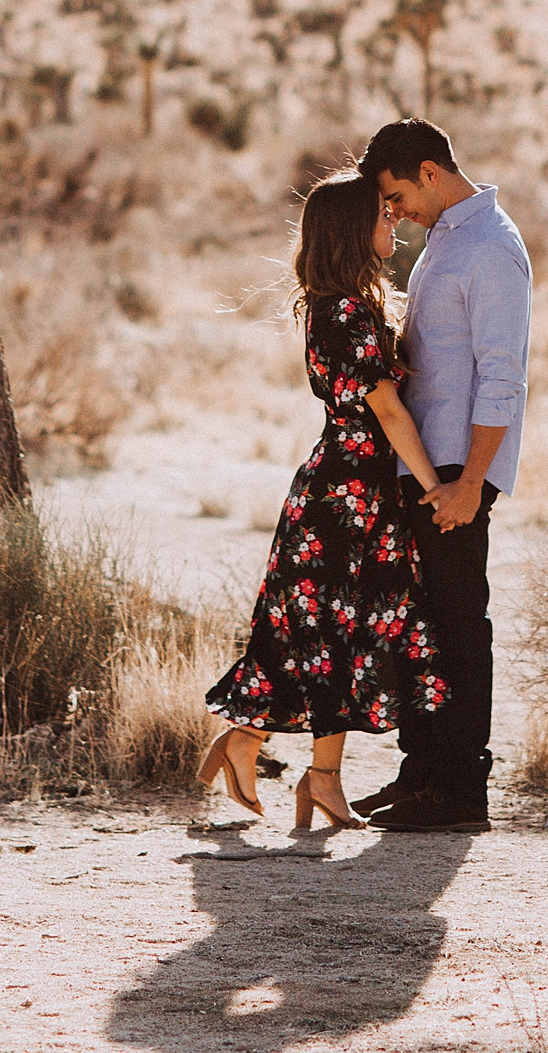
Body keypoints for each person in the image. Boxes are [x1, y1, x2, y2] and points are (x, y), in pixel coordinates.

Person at [200, 169, 450, 830]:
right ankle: (319, 778)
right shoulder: (343, 312)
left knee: (318, 632)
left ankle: (247, 742)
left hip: (344, 490)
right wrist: (438, 489)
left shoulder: (332, 305)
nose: (391, 220)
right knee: (340, 635)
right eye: (380, 213)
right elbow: (390, 414)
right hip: (348, 497)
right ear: (349, 230)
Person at [350, 117, 531, 833]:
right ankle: (420, 774)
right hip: (427, 464)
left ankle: (462, 791)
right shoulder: (445, 242)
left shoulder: (490, 248)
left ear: (430, 171)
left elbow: (501, 377)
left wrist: (470, 483)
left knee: (458, 625)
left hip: (460, 465)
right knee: (420, 625)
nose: (393, 213)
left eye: (396, 196)